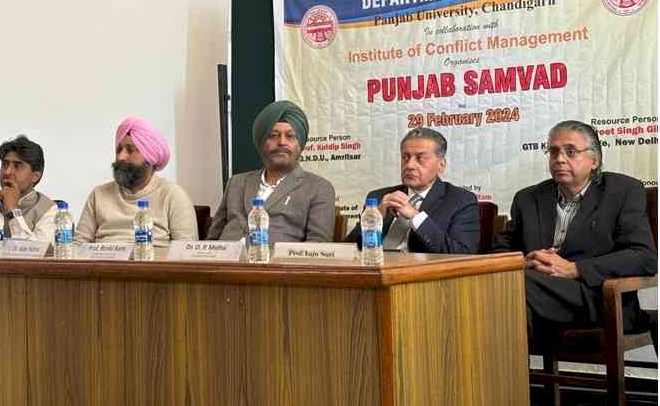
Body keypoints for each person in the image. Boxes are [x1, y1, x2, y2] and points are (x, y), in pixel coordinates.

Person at [493, 120, 657, 336]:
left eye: (570, 151)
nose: (559, 159)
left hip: (598, 297)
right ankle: (508, 369)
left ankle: (501, 369)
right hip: (535, 293)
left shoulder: (622, 191)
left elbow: (643, 257)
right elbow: (499, 251)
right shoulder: (528, 198)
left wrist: (574, 269)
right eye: (553, 152)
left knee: (512, 287)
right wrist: (523, 263)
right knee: (506, 290)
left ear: (594, 160)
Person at [207, 100, 336, 242]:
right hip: (224, 262)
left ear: (301, 144)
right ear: (261, 142)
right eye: (273, 135)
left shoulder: (318, 188)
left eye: (290, 136)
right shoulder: (236, 183)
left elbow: (317, 248)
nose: (281, 142)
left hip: (276, 263)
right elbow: (212, 240)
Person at [346, 127, 479, 253]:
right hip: (374, 269)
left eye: (420, 158)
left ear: (441, 165)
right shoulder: (379, 196)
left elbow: (462, 253)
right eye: (405, 157)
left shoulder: (461, 200)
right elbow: (349, 248)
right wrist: (375, 217)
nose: (409, 165)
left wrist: (416, 217)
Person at [75, 116, 197, 245]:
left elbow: (186, 253)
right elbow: (78, 245)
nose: (121, 157)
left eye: (130, 150)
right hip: (103, 264)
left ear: (150, 157)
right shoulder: (99, 194)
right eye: (119, 149)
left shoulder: (173, 195)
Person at [0, 135, 57, 241]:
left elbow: (33, 253)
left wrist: (13, 210)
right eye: (5, 164)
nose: (7, 172)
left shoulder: (50, 210)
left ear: (35, 176)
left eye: (17, 166)